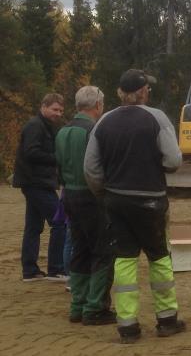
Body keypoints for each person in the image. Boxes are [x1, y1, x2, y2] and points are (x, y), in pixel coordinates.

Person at [84, 69, 185, 344]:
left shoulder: (104, 121)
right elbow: (174, 159)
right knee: (159, 257)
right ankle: (167, 319)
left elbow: (91, 168)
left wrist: (104, 193)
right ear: (142, 91)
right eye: (147, 89)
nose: (149, 92)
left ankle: (127, 325)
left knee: (125, 260)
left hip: (116, 200)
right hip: (151, 199)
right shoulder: (157, 118)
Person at [55, 86, 116, 325]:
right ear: (98, 105)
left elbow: (57, 167)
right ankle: (96, 307)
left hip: (69, 195)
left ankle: (77, 305)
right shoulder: (94, 130)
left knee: (80, 249)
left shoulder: (63, 131)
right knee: (103, 250)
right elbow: (98, 167)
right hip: (91, 197)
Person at [13, 93, 67, 282]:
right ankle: (56, 268)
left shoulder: (45, 126)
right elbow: (31, 152)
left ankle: (30, 270)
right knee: (60, 222)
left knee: (34, 227)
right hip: (36, 183)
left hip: (37, 182)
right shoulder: (35, 126)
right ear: (43, 106)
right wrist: (57, 159)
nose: (58, 113)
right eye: (54, 109)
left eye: (60, 110)